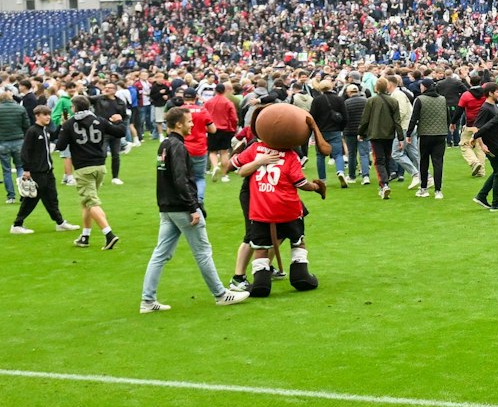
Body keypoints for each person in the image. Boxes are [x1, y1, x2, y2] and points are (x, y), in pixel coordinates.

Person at [140, 106, 250, 312]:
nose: (193, 124)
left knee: (161, 253)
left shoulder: (164, 144)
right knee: (203, 252)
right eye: (189, 121)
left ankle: (147, 300)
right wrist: (193, 207)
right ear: (179, 124)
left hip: (167, 208)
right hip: (182, 208)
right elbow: (181, 180)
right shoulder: (179, 147)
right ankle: (220, 294)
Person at [233, 131, 328, 297]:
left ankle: (261, 284)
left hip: (261, 209)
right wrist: (315, 187)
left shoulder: (256, 148)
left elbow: (239, 169)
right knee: (297, 241)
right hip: (288, 208)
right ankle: (301, 277)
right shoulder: (290, 155)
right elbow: (300, 182)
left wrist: (258, 161)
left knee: (260, 247)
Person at [58, 96, 125, 249]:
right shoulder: (99, 120)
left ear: (74, 108)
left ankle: (109, 234)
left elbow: (61, 146)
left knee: (91, 202)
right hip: (100, 166)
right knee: (86, 202)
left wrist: (63, 129)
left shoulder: (69, 124)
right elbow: (120, 132)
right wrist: (119, 121)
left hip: (83, 168)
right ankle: (85, 236)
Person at [11, 104, 77, 234]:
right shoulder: (32, 131)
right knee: (30, 199)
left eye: (49, 114)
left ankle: (60, 222)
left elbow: (54, 136)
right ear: (37, 116)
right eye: (45, 115)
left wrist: (62, 125)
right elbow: (25, 151)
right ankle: (17, 225)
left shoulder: (45, 130)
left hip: (48, 171)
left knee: (52, 198)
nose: (48, 117)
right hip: (37, 172)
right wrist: (26, 169)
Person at [358, 77, 404, 199]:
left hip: (376, 134)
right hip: (389, 134)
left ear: (376, 87)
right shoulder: (393, 101)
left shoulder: (371, 101)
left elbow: (365, 119)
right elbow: (397, 121)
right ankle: (385, 183)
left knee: (379, 160)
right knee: (387, 159)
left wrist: (361, 133)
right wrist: (400, 138)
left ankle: (384, 184)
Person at [0, 88, 29, 204]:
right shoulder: (20, 108)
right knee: (20, 167)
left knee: (6, 170)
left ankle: (11, 196)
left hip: (3, 141)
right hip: (18, 140)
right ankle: (22, 193)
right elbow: (26, 124)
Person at [410, 83, 450, 199]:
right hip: (440, 134)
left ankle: (424, 188)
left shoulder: (420, 99)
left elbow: (414, 117)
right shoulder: (442, 99)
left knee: (423, 161)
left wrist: (409, 133)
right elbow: (447, 116)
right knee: (438, 162)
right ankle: (438, 190)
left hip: (425, 134)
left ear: (425, 87)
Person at [472, 85, 498, 210]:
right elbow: (478, 127)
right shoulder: (485, 108)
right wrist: (482, 144)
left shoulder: (495, 105)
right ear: (490, 93)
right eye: (497, 91)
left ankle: (482, 196)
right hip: (491, 143)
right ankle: (496, 203)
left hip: (497, 141)